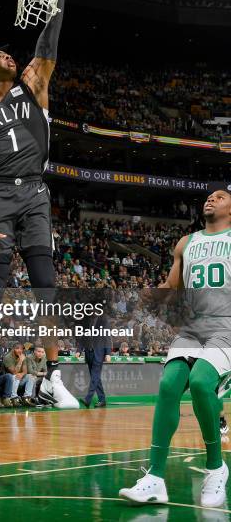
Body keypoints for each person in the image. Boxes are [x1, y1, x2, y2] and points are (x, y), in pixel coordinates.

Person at [0, 0, 78, 413]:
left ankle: (54, 378)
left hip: (34, 192)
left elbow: (50, 36)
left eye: (10, 53)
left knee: (46, 287)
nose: (8, 56)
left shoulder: (33, 83)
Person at [120, 190, 231, 508]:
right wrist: (151, 295)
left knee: (199, 383)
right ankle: (154, 478)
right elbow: (172, 287)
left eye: (221, 197)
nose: (211, 199)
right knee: (169, 386)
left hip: (226, 326)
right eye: (209, 197)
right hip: (192, 328)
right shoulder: (186, 242)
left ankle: (215, 467)